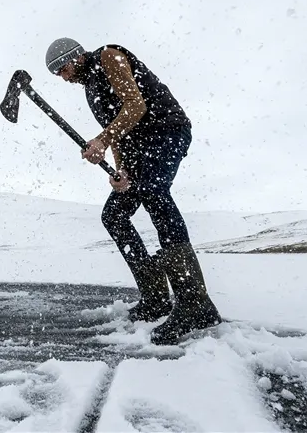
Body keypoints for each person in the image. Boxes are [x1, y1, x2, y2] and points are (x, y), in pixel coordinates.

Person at [45, 37, 222, 346]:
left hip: (167, 132)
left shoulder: (109, 57)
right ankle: (156, 298)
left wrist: (100, 139)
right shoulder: (91, 89)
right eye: (57, 73)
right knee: (113, 215)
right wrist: (120, 171)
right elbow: (119, 134)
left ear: (75, 56)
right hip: (138, 148)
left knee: (155, 192)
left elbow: (135, 107)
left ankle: (195, 302)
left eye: (62, 69)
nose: (63, 77)